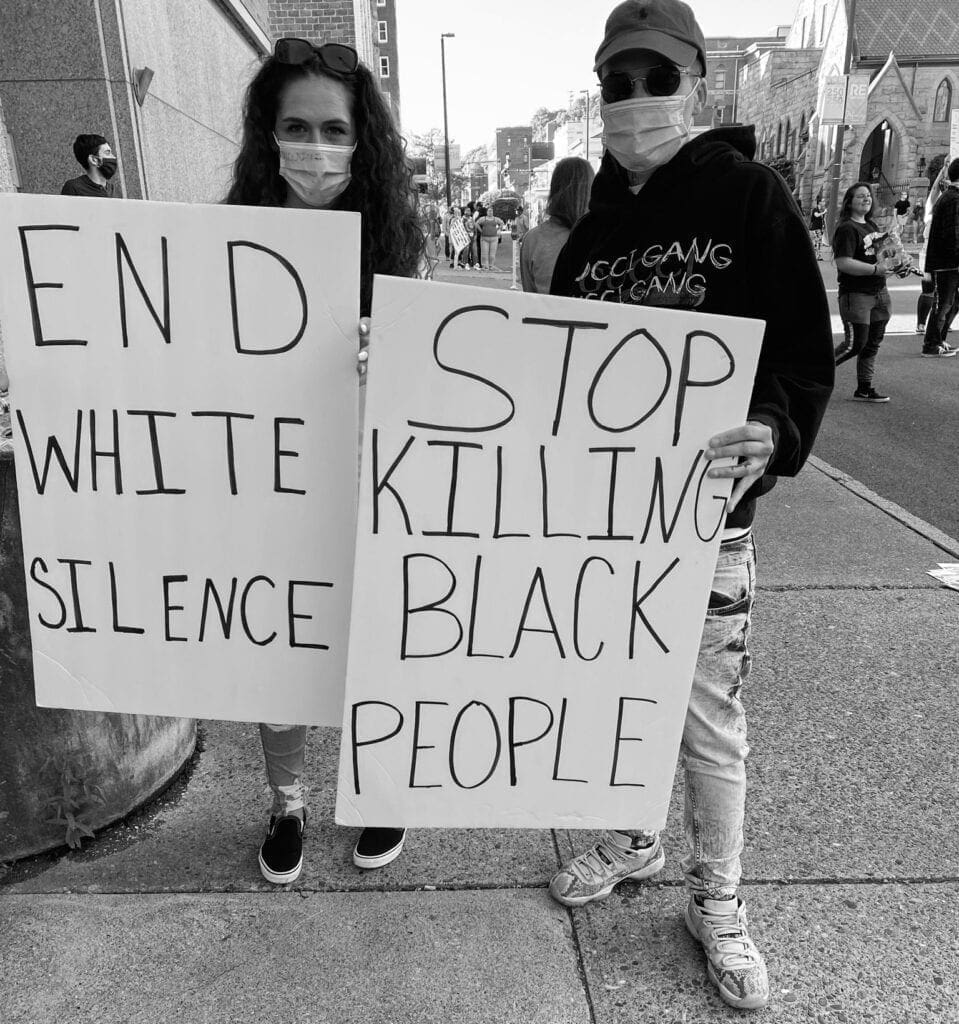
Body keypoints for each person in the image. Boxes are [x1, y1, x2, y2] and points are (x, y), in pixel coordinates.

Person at [546, 0, 834, 1011]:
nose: (633, 103)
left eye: (652, 80)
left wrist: (773, 428)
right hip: (607, 530)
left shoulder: (748, 197)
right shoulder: (590, 242)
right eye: (614, 84)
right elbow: (548, 383)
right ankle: (633, 838)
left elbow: (802, 353)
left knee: (709, 722)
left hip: (709, 526)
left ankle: (717, 899)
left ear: (692, 84)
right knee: (615, 702)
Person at [225, 35, 423, 883]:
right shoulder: (228, 240)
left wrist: (396, 361)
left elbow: (431, 383)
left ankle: (381, 789)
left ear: (360, 139)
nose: (315, 147)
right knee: (282, 643)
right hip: (272, 481)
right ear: (269, 135)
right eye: (296, 126)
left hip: (367, 479)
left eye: (333, 129)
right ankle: (287, 804)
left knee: (376, 641)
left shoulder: (388, 241)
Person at [832, 183, 898, 396]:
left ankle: (864, 388)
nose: (866, 199)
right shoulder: (846, 228)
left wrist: (898, 264)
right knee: (855, 344)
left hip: (880, 293)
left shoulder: (871, 226)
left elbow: (885, 258)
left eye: (868, 196)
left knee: (871, 344)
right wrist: (875, 269)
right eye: (860, 196)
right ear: (849, 202)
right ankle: (811, 375)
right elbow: (843, 262)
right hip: (856, 294)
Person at [519, 156, 594, 293]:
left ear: (554, 189)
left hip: (547, 313)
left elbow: (530, 299)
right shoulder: (605, 236)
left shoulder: (533, 239)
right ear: (591, 189)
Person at [922, 158, 959, 357]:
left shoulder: (951, 196)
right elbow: (953, 233)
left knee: (951, 302)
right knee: (943, 303)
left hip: (947, 262)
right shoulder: (953, 198)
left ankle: (939, 339)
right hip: (948, 263)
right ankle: (931, 344)